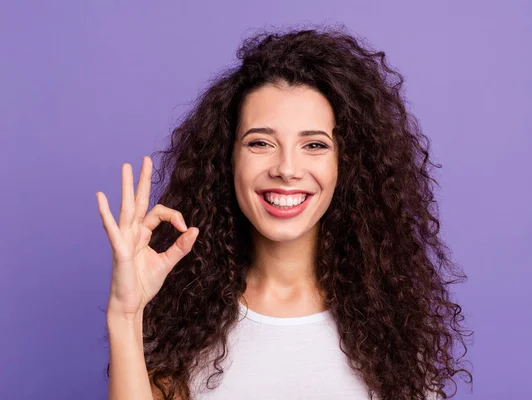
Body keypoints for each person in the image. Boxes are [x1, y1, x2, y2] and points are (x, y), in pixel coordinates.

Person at [96, 25, 472, 400]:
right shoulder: (184, 320)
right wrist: (126, 316)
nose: (287, 169)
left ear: (348, 164)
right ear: (227, 159)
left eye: (314, 144)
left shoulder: (392, 323)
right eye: (260, 142)